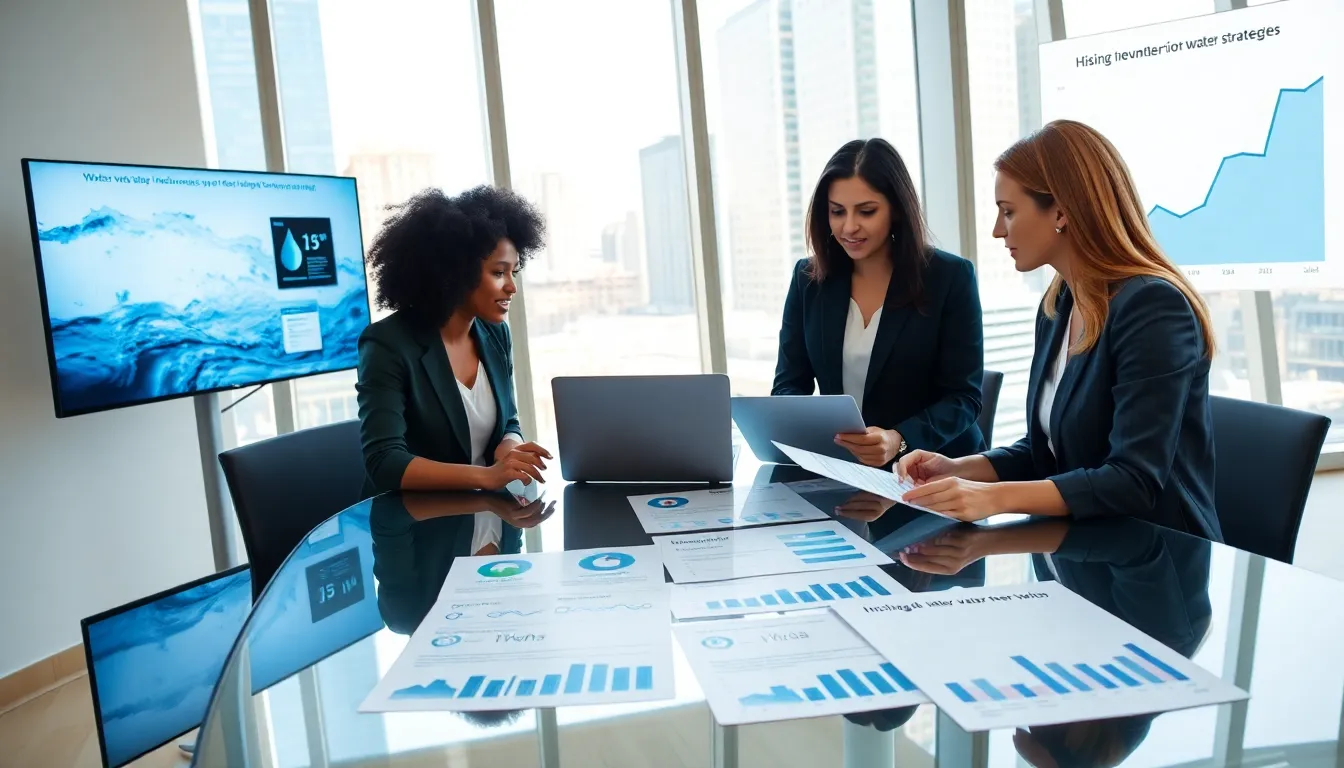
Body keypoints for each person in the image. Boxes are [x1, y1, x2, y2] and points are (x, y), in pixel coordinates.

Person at [898, 120, 1221, 540]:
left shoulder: (1153, 308)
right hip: (1080, 546)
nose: (998, 230)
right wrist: (960, 469)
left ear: (1062, 211)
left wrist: (993, 498)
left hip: (1156, 554)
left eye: (1008, 211)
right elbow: (1048, 452)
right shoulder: (1058, 305)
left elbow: (1133, 480)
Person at [773, 138, 986, 467]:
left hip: (935, 468)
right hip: (844, 468)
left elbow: (964, 397)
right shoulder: (808, 279)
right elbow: (788, 385)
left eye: (867, 211)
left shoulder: (950, 277)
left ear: (896, 209)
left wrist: (899, 439)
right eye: (837, 211)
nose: (849, 226)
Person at [356, 186, 552, 496]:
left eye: (514, 272)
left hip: (483, 510)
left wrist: (509, 448)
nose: (512, 287)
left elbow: (509, 420)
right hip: (411, 518)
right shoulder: (387, 344)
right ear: (455, 273)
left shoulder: (496, 334)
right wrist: (486, 476)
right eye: (499, 272)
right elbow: (384, 461)